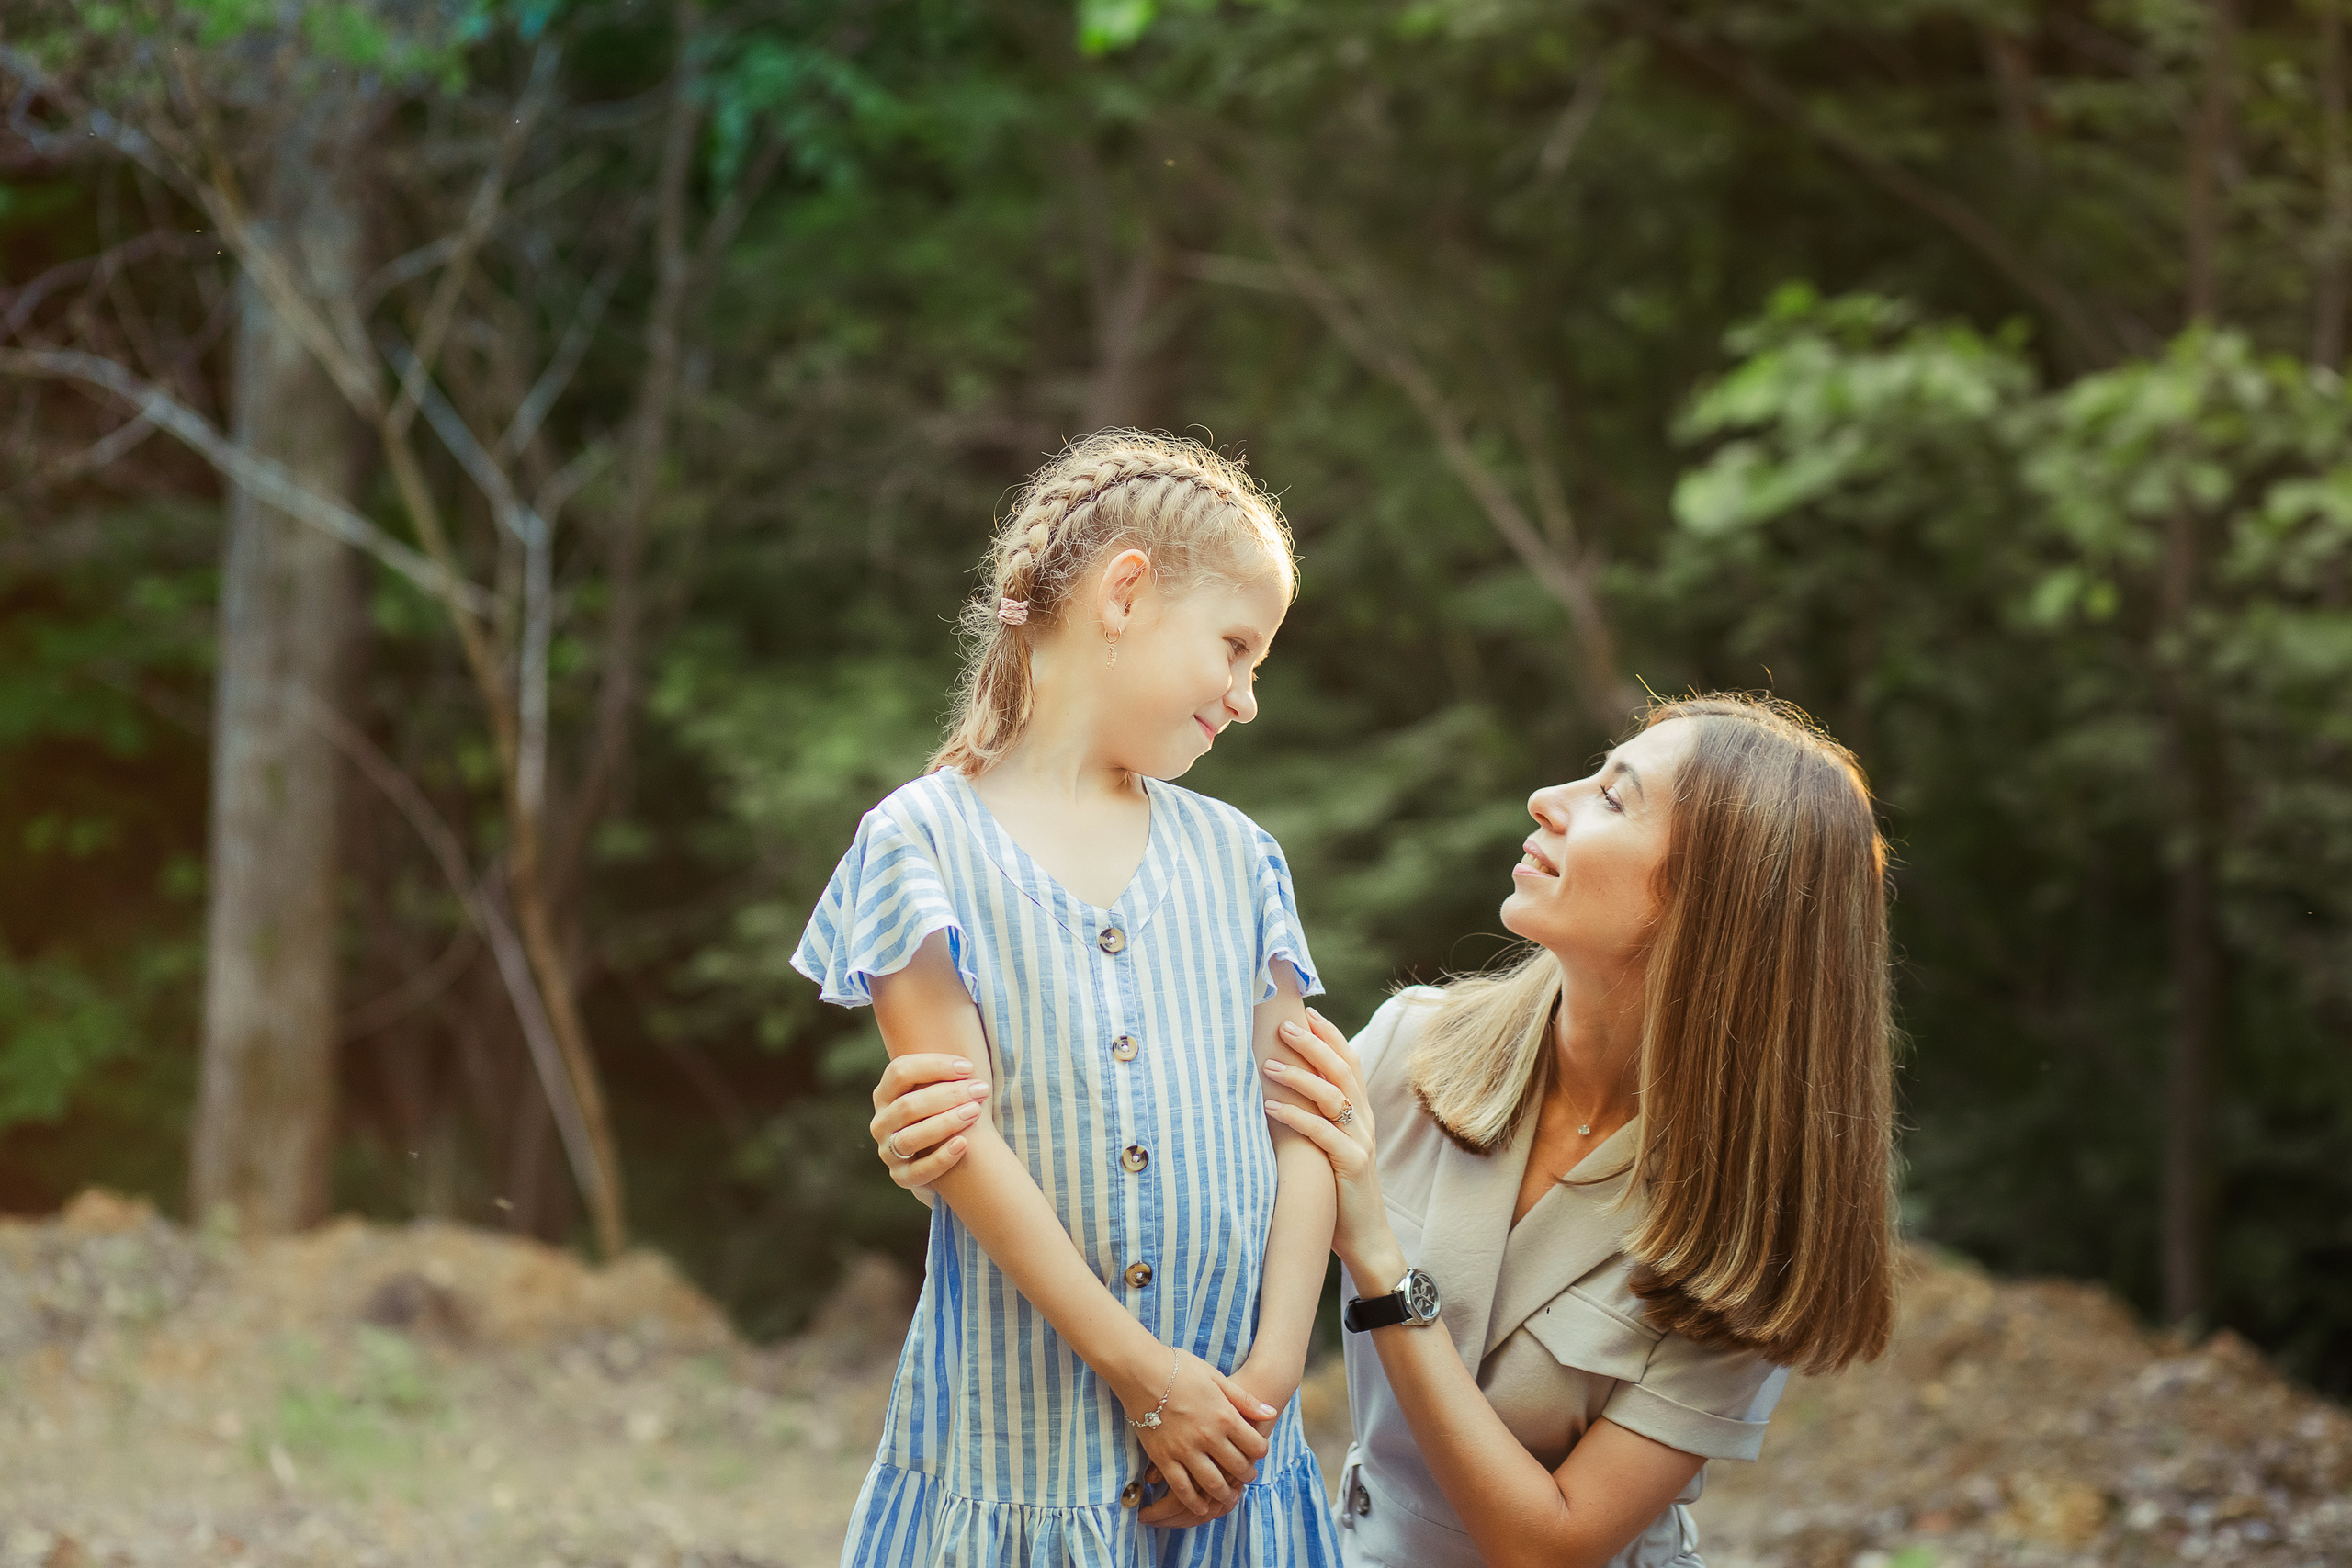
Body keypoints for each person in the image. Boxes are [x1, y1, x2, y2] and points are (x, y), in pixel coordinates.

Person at [872, 694, 1899, 1567]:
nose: (1550, 800)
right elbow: (1171, 1172)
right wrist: (952, 1150)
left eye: (1613, 798)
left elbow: (1548, 1545)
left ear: (1715, 905)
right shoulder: (1411, 1048)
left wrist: (1373, 1253)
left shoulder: (1762, 1217)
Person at [791, 430, 1343, 1568]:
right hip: (1021, 1453)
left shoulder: (1243, 861)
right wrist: (1148, 1384)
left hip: (1240, 1450)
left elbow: (1306, 1125)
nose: (1245, 700)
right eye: (1236, 649)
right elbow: (957, 1143)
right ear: (1127, 592)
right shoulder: (919, 848)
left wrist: (1266, 1384)